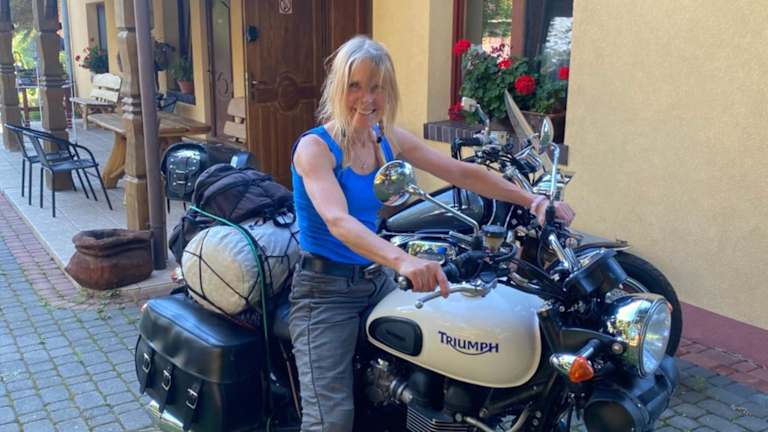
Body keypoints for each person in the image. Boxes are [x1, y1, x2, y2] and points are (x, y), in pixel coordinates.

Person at [289, 35, 575, 432]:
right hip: (324, 292)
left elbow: (460, 172)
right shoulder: (316, 149)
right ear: (338, 88)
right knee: (331, 420)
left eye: (377, 87)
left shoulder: (386, 138)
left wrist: (532, 201)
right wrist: (403, 260)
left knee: (446, 349)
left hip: (376, 279)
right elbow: (338, 222)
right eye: (355, 86)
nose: (367, 98)